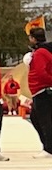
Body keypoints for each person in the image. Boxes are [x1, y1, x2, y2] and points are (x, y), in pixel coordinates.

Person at [28, 27, 52, 156]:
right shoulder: (45, 51)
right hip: (41, 89)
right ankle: (47, 146)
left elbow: (40, 73)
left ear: (32, 38)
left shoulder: (40, 53)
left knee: (44, 120)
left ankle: (49, 148)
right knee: (36, 118)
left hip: (42, 90)